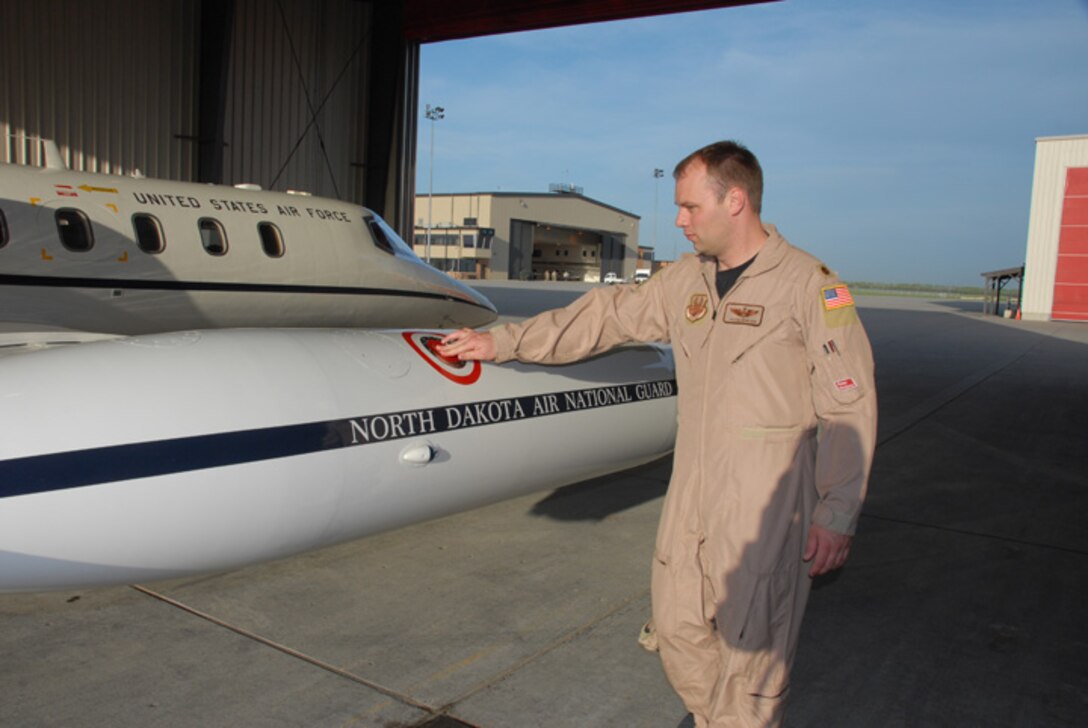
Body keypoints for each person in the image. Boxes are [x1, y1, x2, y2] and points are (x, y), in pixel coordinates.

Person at [438, 140, 877, 728]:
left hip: (766, 502)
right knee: (675, 629)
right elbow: (606, 316)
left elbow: (849, 407)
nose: (679, 220)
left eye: (691, 207)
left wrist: (836, 512)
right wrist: (505, 342)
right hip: (692, 487)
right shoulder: (686, 281)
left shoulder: (810, 286)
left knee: (753, 650)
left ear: (737, 201)